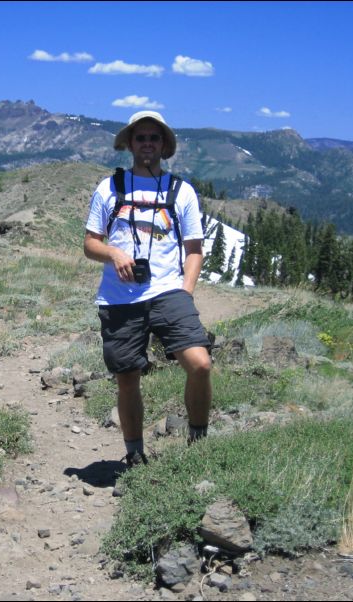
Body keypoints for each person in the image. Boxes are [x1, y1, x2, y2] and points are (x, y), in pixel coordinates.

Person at [83, 110, 212, 468]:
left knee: (200, 364)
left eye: (154, 138)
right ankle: (135, 454)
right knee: (127, 378)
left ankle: (198, 443)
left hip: (169, 292)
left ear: (163, 145)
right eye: (141, 138)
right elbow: (90, 243)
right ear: (129, 144)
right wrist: (113, 253)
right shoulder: (109, 188)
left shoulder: (181, 191)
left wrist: (185, 291)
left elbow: (194, 249)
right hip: (119, 298)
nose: (147, 144)